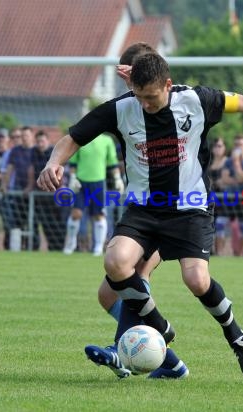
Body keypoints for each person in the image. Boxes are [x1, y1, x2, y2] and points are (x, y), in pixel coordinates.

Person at [38, 53, 243, 377]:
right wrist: (53, 163)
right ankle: (158, 328)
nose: (144, 105)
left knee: (196, 279)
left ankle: (237, 338)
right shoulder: (121, 109)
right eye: (139, 97)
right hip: (143, 209)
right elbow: (72, 137)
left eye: (151, 97)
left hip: (190, 207)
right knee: (116, 262)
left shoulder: (198, 100)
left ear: (167, 85)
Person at [88, 42, 190, 379]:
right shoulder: (129, 108)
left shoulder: (172, 105)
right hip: (142, 210)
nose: (133, 94)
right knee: (107, 294)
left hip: (174, 211)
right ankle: (170, 363)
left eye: (133, 81)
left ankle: (122, 352)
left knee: (137, 275)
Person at [61, 133, 124, 256]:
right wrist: (73, 178)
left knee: (99, 215)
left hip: (98, 183)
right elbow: (73, 162)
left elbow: (112, 162)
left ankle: (98, 248)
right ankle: (70, 244)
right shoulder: (81, 138)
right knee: (76, 214)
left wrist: (117, 178)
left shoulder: (107, 141)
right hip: (80, 182)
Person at [26, 130, 66, 251]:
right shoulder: (34, 152)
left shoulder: (54, 153)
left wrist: (60, 189)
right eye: (38, 141)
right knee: (44, 223)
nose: (40, 143)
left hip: (54, 194)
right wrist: (29, 186)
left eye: (42, 141)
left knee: (56, 223)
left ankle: (59, 247)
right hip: (41, 194)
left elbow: (60, 170)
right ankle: (47, 248)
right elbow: (31, 169)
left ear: (48, 141)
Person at [220, 134, 243, 256]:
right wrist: (240, 179)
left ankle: (239, 254)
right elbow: (225, 179)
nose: (238, 147)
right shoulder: (227, 161)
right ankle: (219, 253)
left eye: (240, 145)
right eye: (236, 145)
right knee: (220, 224)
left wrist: (236, 163)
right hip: (229, 197)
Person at [207, 137, 229, 255]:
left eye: (220, 146)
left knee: (220, 226)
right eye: (215, 146)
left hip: (224, 200)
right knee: (209, 225)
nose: (217, 149)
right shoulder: (208, 162)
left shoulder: (227, 162)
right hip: (210, 199)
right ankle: (210, 251)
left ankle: (219, 252)